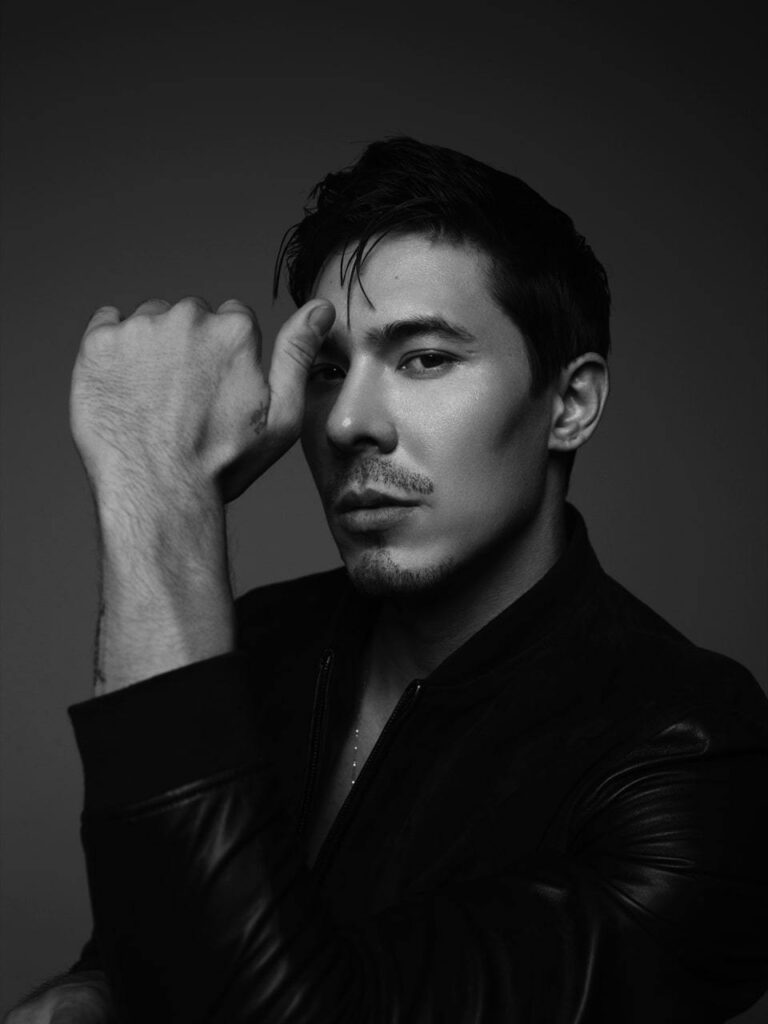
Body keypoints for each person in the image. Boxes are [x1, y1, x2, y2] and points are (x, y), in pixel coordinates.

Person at [7, 137, 768, 1024]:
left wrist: (160, 493)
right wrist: (85, 999)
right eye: (328, 371)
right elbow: (156, 941)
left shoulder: (693, 756)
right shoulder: (253, 642)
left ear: (571, 405)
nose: (348, 423)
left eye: (424, 358)